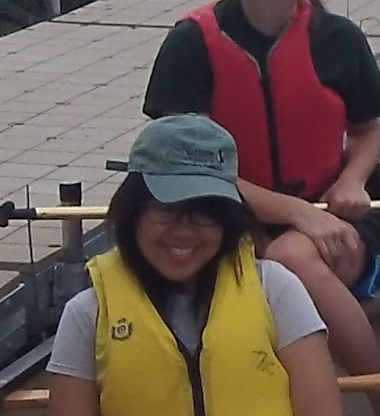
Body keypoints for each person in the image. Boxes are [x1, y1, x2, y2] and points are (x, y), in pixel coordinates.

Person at [142, 0, 380, 416]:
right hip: (222, 221)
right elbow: (184, 165)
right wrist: (294, 213)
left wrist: (353, 180)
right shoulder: (191, 44)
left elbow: (366, 131)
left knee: (289, 256)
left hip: (334, 223)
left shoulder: (339, 39)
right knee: (280, 251)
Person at [45, 114, 341, 416]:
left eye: (206, 212)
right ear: (133, 211)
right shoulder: (87, 314)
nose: (185, 230)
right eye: (167, 210)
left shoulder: (276, 289)